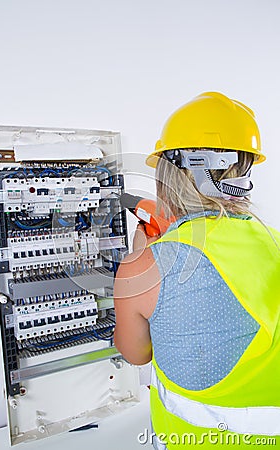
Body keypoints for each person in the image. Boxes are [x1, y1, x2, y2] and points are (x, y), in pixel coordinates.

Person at [113, 92, 280, 449]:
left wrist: (142, 259)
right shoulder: (276, 242)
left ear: (169, 174)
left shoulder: (140, 268)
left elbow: (135, 353)